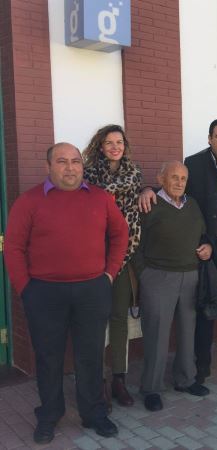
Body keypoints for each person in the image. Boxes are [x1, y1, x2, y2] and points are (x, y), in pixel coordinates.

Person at [4, 143, 128, 443]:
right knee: (48, 357)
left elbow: (120, 233)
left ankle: (93, 412)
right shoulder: (29, 201)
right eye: (62, 161)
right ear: (49, 166)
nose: (70, 167)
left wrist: (109, 274)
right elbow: (14, 247)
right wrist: (26, 288)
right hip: (44, 293)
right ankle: (49, 413)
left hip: (91, 290)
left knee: (90, 355)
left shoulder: (100, 198)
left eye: (75, 161)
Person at [139, 118, 217, 382]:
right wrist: (147, 189)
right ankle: (202, 365)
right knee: (207, 306)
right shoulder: (194, 164)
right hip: (211, 246)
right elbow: (174, 189)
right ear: (210, 139)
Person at [134, 161, 212, 412]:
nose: (179, 182)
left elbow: (203, 234)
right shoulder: (150, 204)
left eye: (183, 178)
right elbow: (135, 243)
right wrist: (144, 275)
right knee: (157, 334)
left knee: (188, 331)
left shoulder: (192, 205)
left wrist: (208, 247)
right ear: (160, 178)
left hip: (190, 275)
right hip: (158, 277)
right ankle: (151, 388)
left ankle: (185, 379)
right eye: (174, 177)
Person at [82, 124, 142, 409]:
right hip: (92, 255)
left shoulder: (134, 174)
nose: (115, 147)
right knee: (94, 320)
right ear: (100, 146)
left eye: (119, 142)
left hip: (123, 256)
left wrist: (148, 190)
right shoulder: (87, 176)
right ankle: (98, 382)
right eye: (109, 142)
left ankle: (119, 379)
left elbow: (137, 210)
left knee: (119, 319)